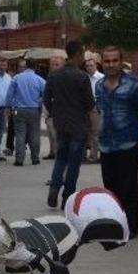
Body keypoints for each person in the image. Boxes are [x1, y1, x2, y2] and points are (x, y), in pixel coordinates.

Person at [95, 46, 138, 236]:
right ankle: (115, 226)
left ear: (121, 61)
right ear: (102, 62)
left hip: (128, 144)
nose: (110, 64)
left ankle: (131, 227)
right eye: (107, 61)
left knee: (129, 188)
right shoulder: (99, 85)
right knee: (110, 188)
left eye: (114, 61)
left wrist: (135, 133)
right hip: (106, 145)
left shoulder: (134, 85)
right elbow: (100, 110)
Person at [44, 41, 95, 208]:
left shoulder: (54, 75)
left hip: (61, 123)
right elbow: (90, 103)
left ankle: (54, 187)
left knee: (61, 158)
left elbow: (46, 99)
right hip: (78, 125)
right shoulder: (82, 77)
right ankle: (68, 196)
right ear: (78, 54)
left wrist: (55, 113)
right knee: (74, 162)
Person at [6, 59, 45, 166]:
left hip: (18, 110)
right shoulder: (39, 79)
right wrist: (40, 103)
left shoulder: (16, 78)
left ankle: (19, 159)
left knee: (20, 134)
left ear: (26, 66)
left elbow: (10, 94)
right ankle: (35, 158)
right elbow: (46, 93)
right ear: (35, 67)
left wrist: (8, 106)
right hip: (34, 110)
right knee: (35, 134)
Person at [43, 55, 65, 160]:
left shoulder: (64, 78)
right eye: (52, 65)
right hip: (51, 110)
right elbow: (46, 95)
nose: (54, 67)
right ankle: (52, 151)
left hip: (61, 110)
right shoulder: (50, 77)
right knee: (51, 132)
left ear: (62, 66)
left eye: (57, 65)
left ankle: (58, 153)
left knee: (56, 133)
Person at [4, 59, 27, 156]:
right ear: (18, 68)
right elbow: (10, 94)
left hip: (26, 108)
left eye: (24, 67)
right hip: (16, 108)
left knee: (24, 128)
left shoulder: (28, 78)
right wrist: (9, 107)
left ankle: (22, 145)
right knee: (12, 127)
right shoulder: (15, 78)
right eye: (20, 67)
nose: (22, 69)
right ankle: (10, 147)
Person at [84, 53, 104, 162]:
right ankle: (85, 155)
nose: (89, 68)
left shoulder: (101, 78)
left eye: (91, 65)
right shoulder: (84, 77)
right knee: (85, 131)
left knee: (95, 131)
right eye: (87, 66)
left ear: (96, 66)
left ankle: (94, 155)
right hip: (85, 106)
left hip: (96, 106)